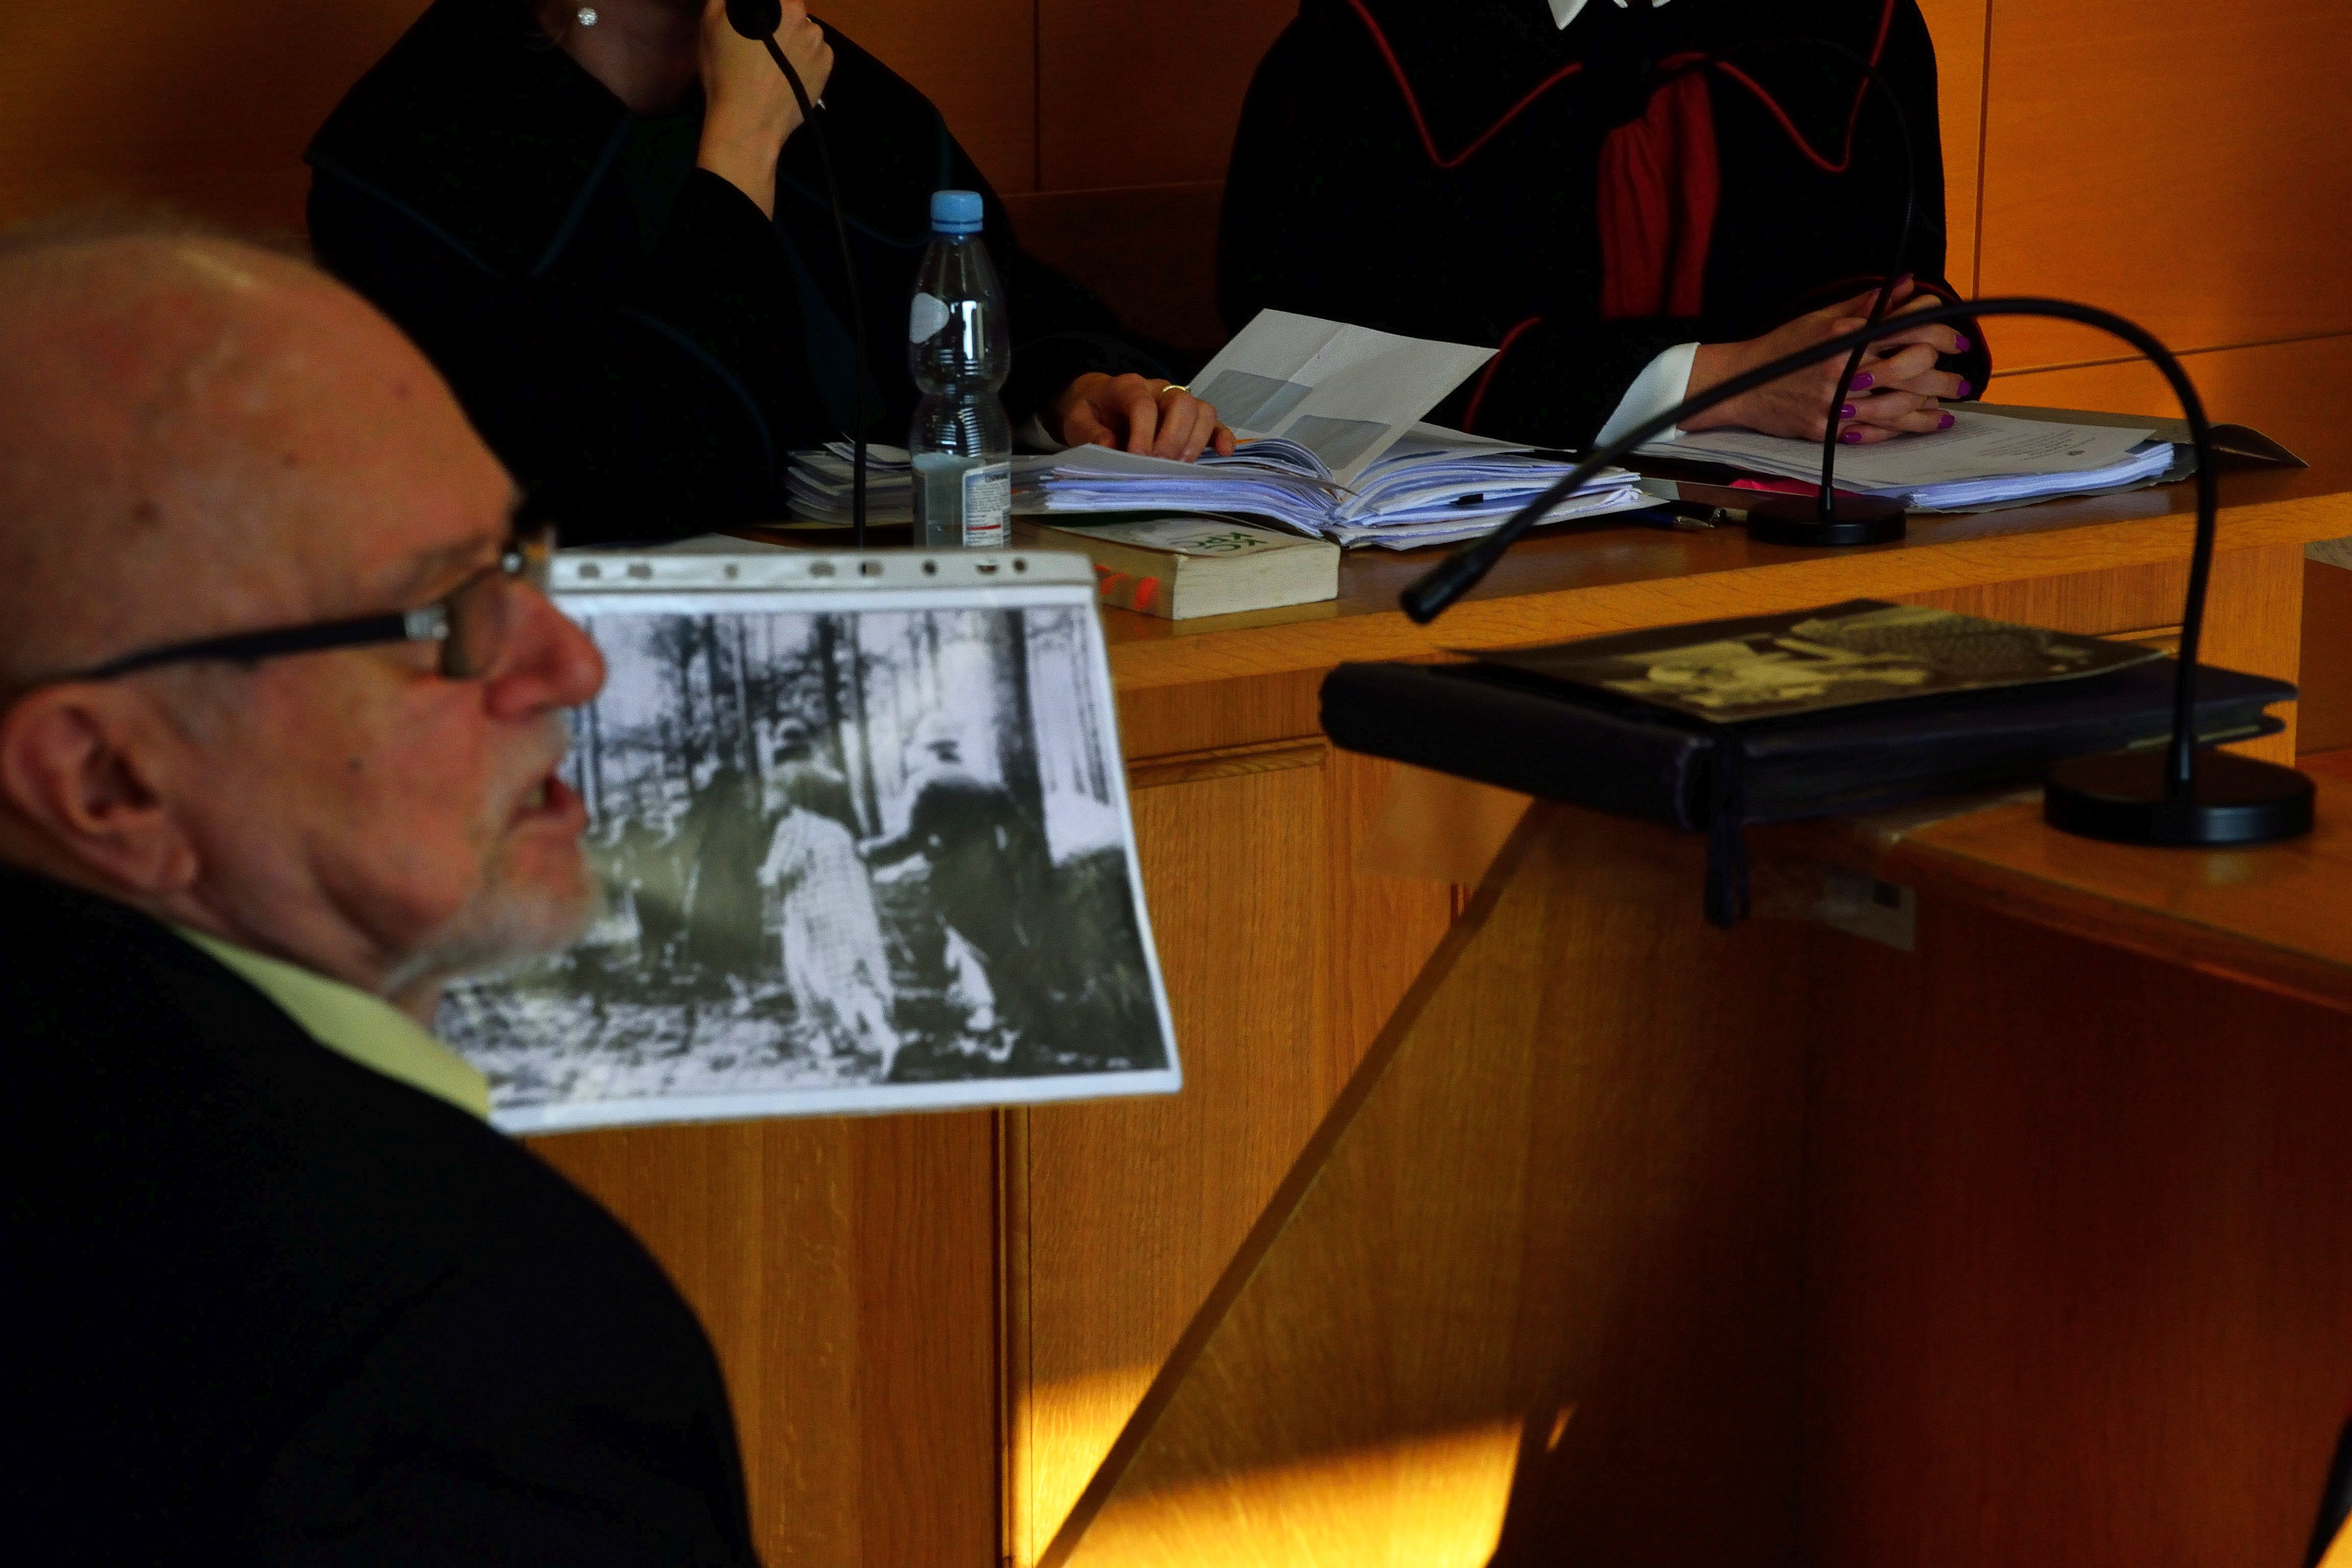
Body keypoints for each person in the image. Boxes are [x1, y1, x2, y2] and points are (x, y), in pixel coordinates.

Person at [0, 222, 758, 1563]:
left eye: (518, 558)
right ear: (108, 781)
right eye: (443, 618)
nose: (573, 664)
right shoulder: (449, 1351)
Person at [307, 0, 1234, 542]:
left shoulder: (831, 81)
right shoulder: (416, 150)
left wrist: (1070, 388)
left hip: (919, 582)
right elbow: (644, 468)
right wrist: (740, 147)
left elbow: (1003, 299)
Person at [1218, 0, 1993, 452]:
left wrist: (1897, 353)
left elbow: (1879, 264)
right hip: (1473, 542)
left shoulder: (1854, 21)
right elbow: (1301, 351)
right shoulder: (1372, 32)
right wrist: (1713, 384)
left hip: (1790, 516)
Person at [757, 756, 901, 1076]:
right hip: (848, 913)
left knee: (805, 977)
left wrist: (764, 874)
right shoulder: (838, 830)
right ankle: (884, 1036)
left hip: (810, 916)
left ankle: (828, 1038)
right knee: (853, 978)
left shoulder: (792, 828)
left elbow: (775, 875)